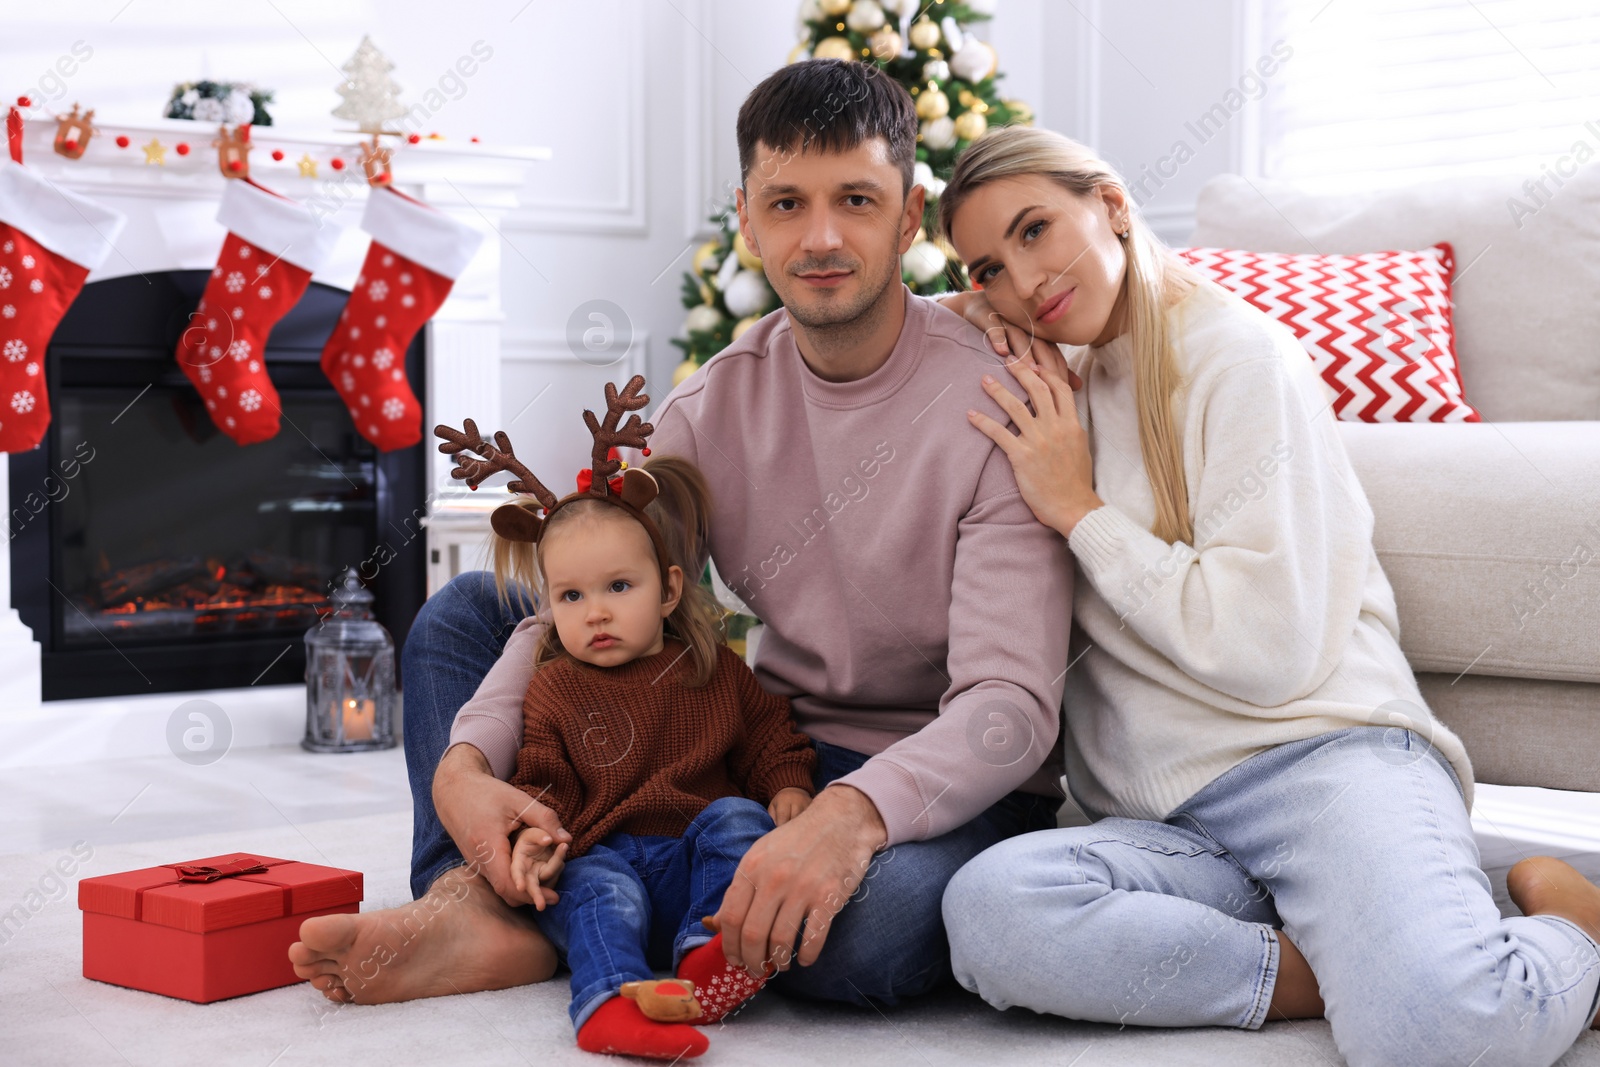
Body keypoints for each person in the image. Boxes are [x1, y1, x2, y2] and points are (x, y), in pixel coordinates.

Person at [289, 59, 1074, 1008]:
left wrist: (850, 816)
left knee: (850, 941)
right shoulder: (709, 407)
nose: (820, 237)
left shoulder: (998, 399)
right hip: (767, 749)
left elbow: (1011, 708)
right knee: (471, 611)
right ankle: (471, 897)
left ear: (908, 219)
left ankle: (566, 917)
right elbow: (593, 587)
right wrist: (460, 771)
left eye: (856, 200)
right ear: (746, 218)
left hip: (946, 778)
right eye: (786, 204)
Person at [932, 124, 1600, 1067]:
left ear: (1113, 205)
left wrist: (1080, 510)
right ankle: (1353, 966)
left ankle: (1572, 934)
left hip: (1326, 766)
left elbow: (1266, 647)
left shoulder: (1242, 360)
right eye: (990, 268)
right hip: (1173, 825)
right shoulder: (1058, 381)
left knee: (1447, 1037)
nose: (1025, 280)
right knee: (990, 913)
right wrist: (945, 323)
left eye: (1037, 229)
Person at [482, 400, 815, 1060]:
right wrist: (534, 837)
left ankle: (707, 956)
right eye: (571, 597)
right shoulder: (552, 687)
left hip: (694, 864)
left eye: (618, 586)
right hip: (608, 858)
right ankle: (609, 999)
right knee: (592, 886)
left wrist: (787, 787)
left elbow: (769, 733)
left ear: (666, 591)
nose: (596, 611)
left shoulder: (709, 668)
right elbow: (541, 783)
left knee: (734, 816)